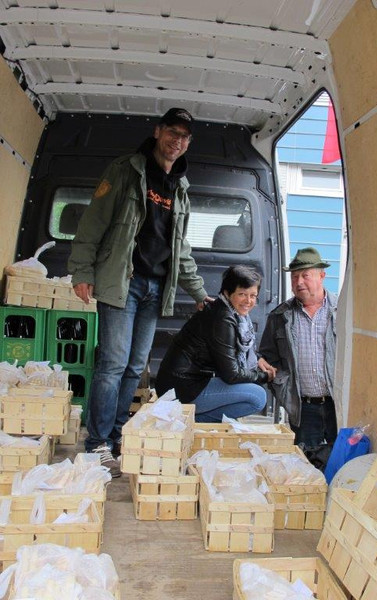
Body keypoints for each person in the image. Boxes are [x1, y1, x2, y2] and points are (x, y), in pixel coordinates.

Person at [68, 107, 212, 476]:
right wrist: (82, 270)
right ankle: (97, 443)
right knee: (113, 364)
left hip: (155, 287)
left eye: (184, 136)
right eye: (172, 132)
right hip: (123, 282)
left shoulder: (180, 188)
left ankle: (117, 436)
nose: (177, 141)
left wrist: (199, 292)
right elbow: (93, 222)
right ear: (158, 131)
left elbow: (180, 249)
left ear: (188, 143)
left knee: (134, 367)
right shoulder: (126, 170)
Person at [155, 265, 276, 422]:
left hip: (184, 383)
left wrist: (257, 359)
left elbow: (230, 351)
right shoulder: (223, 318)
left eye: (253, 296)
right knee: (258, 396)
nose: (248, 301)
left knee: (251, 386)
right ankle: (191, 421)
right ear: (227, 292)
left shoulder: (228, 311)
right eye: (242, 294)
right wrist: (264, 376)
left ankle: (193, 419)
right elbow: (232, 375)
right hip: (180, 389)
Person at [260, 247, 338, 450]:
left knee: (341, 460)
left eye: (305, 275)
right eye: (294, 277)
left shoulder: (341, 311)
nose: (299, 282)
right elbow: (267, 357)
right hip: (303, 408)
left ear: (321, 276)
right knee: (306, 461)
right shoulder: (279, 316)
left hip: (338, 404)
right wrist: (282, 386)